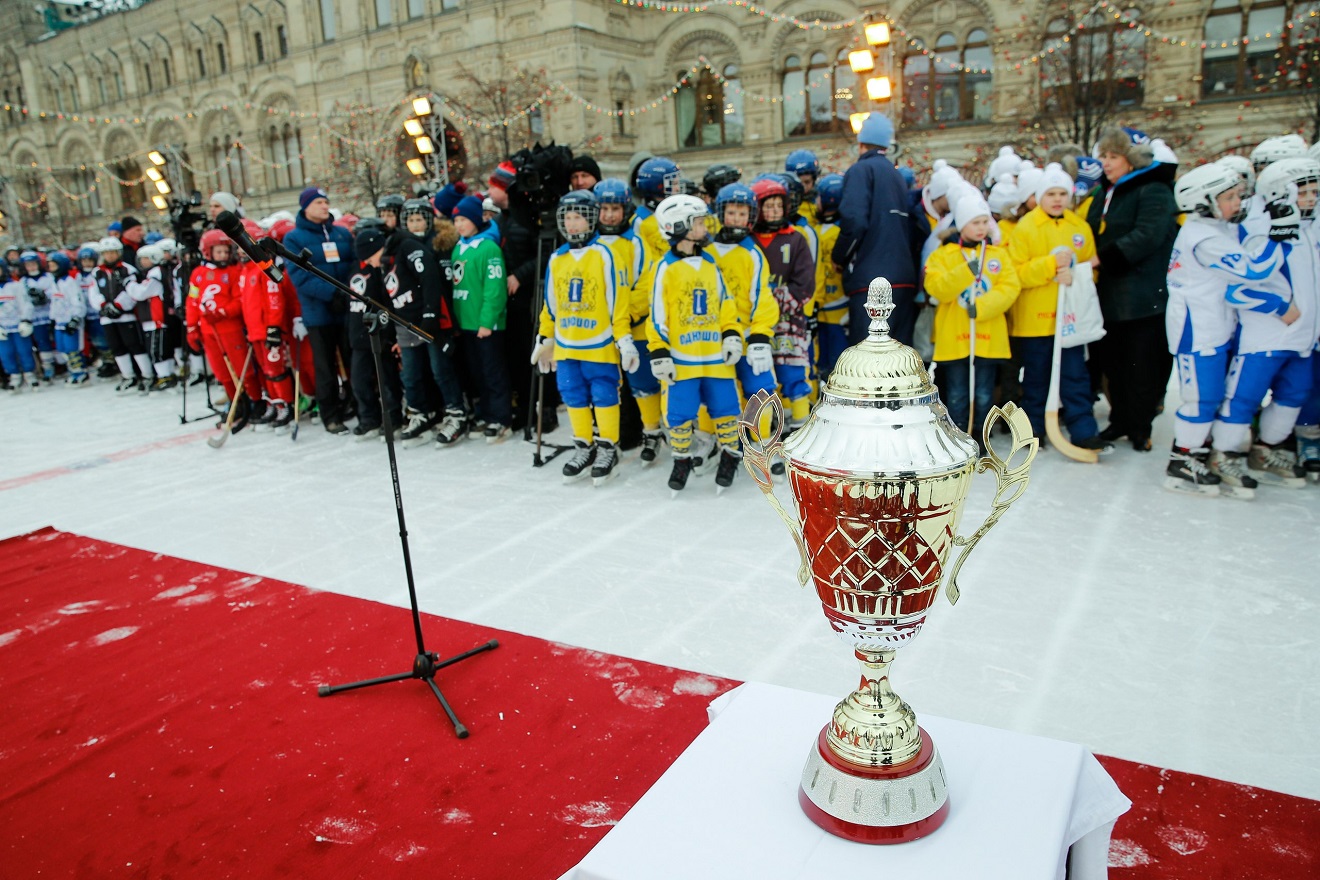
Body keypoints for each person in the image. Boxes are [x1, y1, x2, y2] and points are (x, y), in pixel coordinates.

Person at [1162, 162, 1275, 497]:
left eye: (1238, 195)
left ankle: (1197, 451)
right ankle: (1182, 458)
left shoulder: (1216, 228)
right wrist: (1281, 236)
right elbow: (1254, 271)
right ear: (1203, 202)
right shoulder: (1205, 237)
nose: (1237, 202)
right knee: (1202, 397)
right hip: (1198, 331)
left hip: (1214, 326)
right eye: (1228, 197)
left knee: (1210, 395)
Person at [1219, 157, 1320, 488]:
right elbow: (1237, 289)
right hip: (1266, 337)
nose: (1312, 198)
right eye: (1305, 192)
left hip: (1303, 338)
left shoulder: (1310, 229)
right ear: (1281, 193)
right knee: (1244, 397)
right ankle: (1224, 454)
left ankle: (1266, 449)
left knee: (1296, 394)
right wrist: (1277, 306)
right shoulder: (1259, 230)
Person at [1085, 126, 1180, 452]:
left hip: (1143, 296)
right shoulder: (1103, 193)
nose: (1107, 163)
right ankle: (1121, 419)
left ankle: (1141, 426)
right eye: (1104, 157)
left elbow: (1148, 235)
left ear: (1131, 159)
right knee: (1115, 364)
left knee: (1143, 365)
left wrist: (1103, 257)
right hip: (1109, 294)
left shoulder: (1153, 189)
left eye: (1114, 157)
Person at [531, 191, 631, 484]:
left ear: (590, 219)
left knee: (603, 394)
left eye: (578, 217)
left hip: (599, 343)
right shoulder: (557, 258)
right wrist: (545, 337)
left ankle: (608, 446)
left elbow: (618, 301)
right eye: (568, 218)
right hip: (567, 344)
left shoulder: (605, 254)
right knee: (572, 393)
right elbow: (550, 305)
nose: (572, 224)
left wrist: (623, 338)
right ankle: (583, 445)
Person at [1006, 163, 1108, 451]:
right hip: (1035, 321)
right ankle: (1032, 431)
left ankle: (1083, 430)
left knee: (1076, 376)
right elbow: (1017, 273)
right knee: (1036, 379)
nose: (1057, 199)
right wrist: (1051, 265)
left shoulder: (1079, 227)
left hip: (1069, 321)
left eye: (1063, 193)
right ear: (1040, 196)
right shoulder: (1026, 227)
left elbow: (1092, 268)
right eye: (1051, 193)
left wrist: (1076, 273)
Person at [648, 193, 744, 492]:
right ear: (679, 226)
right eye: (699, 222)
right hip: (682, 358)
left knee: (726, 407)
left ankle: (730, 454)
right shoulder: (665, 268)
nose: (705, 227)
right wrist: (660, 351)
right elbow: (657, 315)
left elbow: (726, 304)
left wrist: (730, 334)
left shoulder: (710, 264)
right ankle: (681, 459)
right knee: (679, 412)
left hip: (715, 357)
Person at [924, 194, 1020, 441]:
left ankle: (980, 435)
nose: (981, 227)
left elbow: (1010, 287)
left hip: (987, 337)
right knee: (957, 392)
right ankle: (959, 436)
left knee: (984, 393)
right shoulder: (942, 255)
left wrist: (983, 306)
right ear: (962, 224)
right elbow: (936, 287)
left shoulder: (998, 255)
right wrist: (964, 272)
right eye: (974, 222)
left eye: (984, 222)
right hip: (955, 337)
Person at [834, 112, 927, 346]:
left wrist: (840, 256)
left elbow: (854, 220)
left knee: (868, 359)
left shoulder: (860, 171)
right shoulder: (895, 174)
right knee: (897, 359)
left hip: (870, 279)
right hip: (903, 277)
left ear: (861, 142)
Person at [594, 177, 666, 462]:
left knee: (642, 382)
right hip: (599, 331)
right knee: (606, 382)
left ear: (626, 209)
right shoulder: (592, 244)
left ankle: (652, 431)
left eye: (615, 208)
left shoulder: (636, 243)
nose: (610, 214)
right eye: (604, 208)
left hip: (634, 328)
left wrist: (624, 315)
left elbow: (647, 284)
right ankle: (606, 437)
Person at [391, 198, 465, 447]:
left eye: (419, 219)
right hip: (409, 319)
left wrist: (435, 314)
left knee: (440, 369)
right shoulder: (399, 247)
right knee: (412, 372)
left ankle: (456, 412)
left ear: (429, 219)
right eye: (410, 220)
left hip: (435, 318)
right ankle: (422, 412)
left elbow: (441, 284)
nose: (415, 224)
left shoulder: (440, 244)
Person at [285, 186, 356, 434]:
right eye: (318, 203)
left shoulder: (342, 234)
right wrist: (331, 293)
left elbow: (354, 266)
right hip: (319, 313)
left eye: (326, 202)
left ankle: (358, 404)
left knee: (353, 360)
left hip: (346, 309)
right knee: (325, 366)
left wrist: (348, 292)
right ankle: (331, 414)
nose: (325, 206)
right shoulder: (294, 238)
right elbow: (300, 277)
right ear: (306, 207)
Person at [751, 176, 815, 429]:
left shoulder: (796, 239)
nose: (774, 211)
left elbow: (805, 284)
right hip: (755, 322)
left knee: (793, 374)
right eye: (768, 206)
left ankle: (799, 425)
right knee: (763, 377)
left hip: (789, 320)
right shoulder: (748, 241)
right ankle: (768, 429)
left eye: (778, 206)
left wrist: (774, 299)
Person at [450, 194, 513, 442]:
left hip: (486, 325)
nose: (459, 225)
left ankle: (501, 417)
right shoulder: (459, 247)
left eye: (464, 219)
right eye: (456, 220)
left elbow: (494, 290)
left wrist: (487, 322)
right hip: (465, 324)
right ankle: (485, 413)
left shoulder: (488, 248)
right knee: (477, 373)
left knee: (493, 372)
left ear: (476, 219)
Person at [710, 182, 778, 409]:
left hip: (748, 335)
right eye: (731, 213)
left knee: (760, 388)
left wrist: (760, 336)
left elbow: (762, 297)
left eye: (742, 213)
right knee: (719, 393)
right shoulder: (706, 252)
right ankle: (726, 440)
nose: (737, 218)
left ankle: (761, 441)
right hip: (714, 336)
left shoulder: (753, 254)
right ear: (720, 213)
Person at [188, 229, 261, 427]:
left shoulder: (234, 272)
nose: (223, 256)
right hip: (208, 332)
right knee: (222, 372)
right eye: (218, 252)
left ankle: (255, 401)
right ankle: (236, 402)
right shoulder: (198, 274)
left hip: (230, 329)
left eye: (225, 251)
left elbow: (240, 300)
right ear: (208, 252)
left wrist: (223, 312)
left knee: (242, 370)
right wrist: (192, 327)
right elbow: (193, 301)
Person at [346, 225, 403, 440]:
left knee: (387, 381)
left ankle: (393, 418)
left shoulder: (382, 269)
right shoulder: (355, 268)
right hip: (358, 335)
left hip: (380, 335)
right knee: (359, 381)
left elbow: (388, 302)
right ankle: (368, 418)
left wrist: (390, 333)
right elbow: (349, 301)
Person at [91, 237, 153, 393]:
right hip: (107, 318)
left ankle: (147, 374)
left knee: (133, 344)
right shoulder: (97, 272)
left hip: (126, 315)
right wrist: (103, 305)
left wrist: (119, 305)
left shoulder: (127, 269)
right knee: (116, 347)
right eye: (106, 253)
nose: (110, 256)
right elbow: (93, 292)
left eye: (112, 253)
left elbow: (130, 290)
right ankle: (128, 376)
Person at [126, 244, 178, 391]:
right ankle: (167, 375)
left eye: (145, 259)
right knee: (161, 349)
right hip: (153, 320)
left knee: (157, 350)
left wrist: (129, 284)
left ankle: (165, 376)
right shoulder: (155, 273)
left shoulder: (155, 274)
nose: (142, 262)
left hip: (157, 319)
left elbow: (140, 293)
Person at [812, 173, 849, 375]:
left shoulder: (838, 230)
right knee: (826, 363)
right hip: (825, 307)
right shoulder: (818, 230)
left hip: (836, 307)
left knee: (835, 364)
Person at [47, 252, 88, 385]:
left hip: (70, 320)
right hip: (59, 321)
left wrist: (76, 318)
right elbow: (54, 302)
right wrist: (52, 318)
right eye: (50, 266)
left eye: (54, 266)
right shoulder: (54, 282)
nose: (52, 268)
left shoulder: (69, 282)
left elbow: (77, 301)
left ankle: (80, 371)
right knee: (62, 348)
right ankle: (72, 371)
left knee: (72, 347)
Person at [17, 251, 56, 380]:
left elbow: (55, 294)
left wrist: (45, 296)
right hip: (36, 318)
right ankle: (48, 368)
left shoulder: (48, 277)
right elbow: (23, 300)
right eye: (28, 265)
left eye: (34, 264)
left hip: (51, 315)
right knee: (42, 343)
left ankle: (63, 364)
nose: (32, 267)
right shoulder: (24, 281)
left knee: (57, 341)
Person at [0, 264, 37, 390]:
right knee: (6, 353)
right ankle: (14, 375)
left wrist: (25, 320)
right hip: (3, 328)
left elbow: (25, 303)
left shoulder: (15, 286)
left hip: (17, 325)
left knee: (24, 350)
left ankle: (29, 374)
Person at [785, 149, 820, 229]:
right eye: (800, 183)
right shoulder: (788, 205)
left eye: (807, 182)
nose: (803, 187)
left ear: (814, 179)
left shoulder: (820, 200)